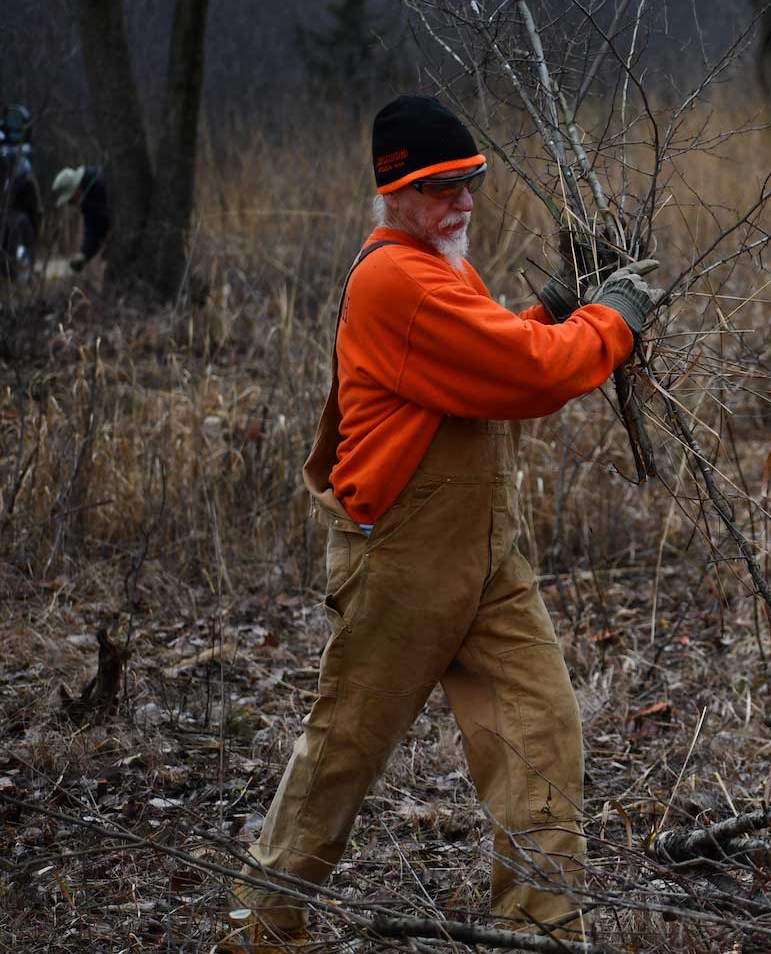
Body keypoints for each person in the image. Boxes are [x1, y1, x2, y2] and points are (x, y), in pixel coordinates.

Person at [227, 93, 663, 952]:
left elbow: (491, 352)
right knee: (342, 754)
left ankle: (537, 935)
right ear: (394, 194)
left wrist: (552, 306)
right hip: (402, 563)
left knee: (542, 733)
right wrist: (613, 318)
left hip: (488, 559)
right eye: (440, 188)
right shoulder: (398, 277)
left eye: (469, 181)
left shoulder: (438, 267)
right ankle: (259, 931)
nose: (462, 201)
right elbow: (528, 377)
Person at [50, 166, 110, 271]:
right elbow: (93, 228)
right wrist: (84, 254)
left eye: (71, 200)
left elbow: (99, 226)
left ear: (76, 189)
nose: (71, 204)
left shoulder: (98, 186)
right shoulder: (88, 198)